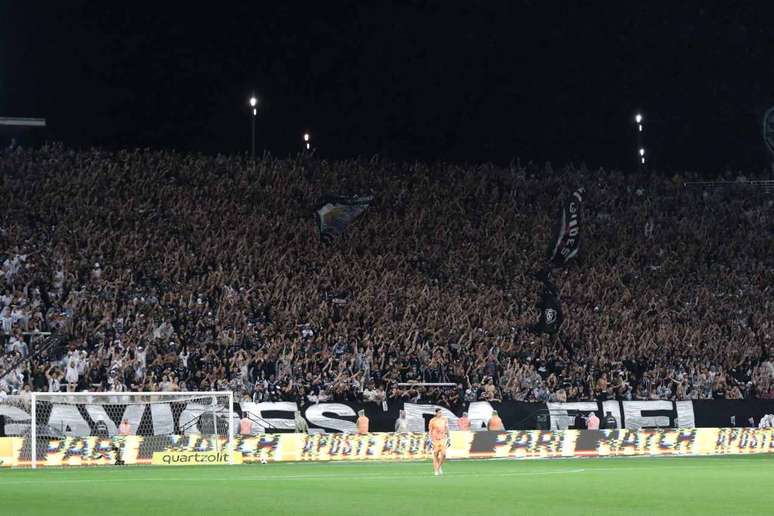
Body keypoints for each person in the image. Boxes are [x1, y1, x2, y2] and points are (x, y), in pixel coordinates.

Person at [428, 408, 449, 476]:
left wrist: (449, 437)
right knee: (436, 454)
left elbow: (446, 428)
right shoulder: (432, 420)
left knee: (444, 454)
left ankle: (438, 467)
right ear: (436, 413)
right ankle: (436, 470)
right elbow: (430, 430)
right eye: (439, 412)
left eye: (441, 412)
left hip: (442, 438)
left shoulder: (444, 419)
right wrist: (430, 438)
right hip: (435, 439)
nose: (440, 414)